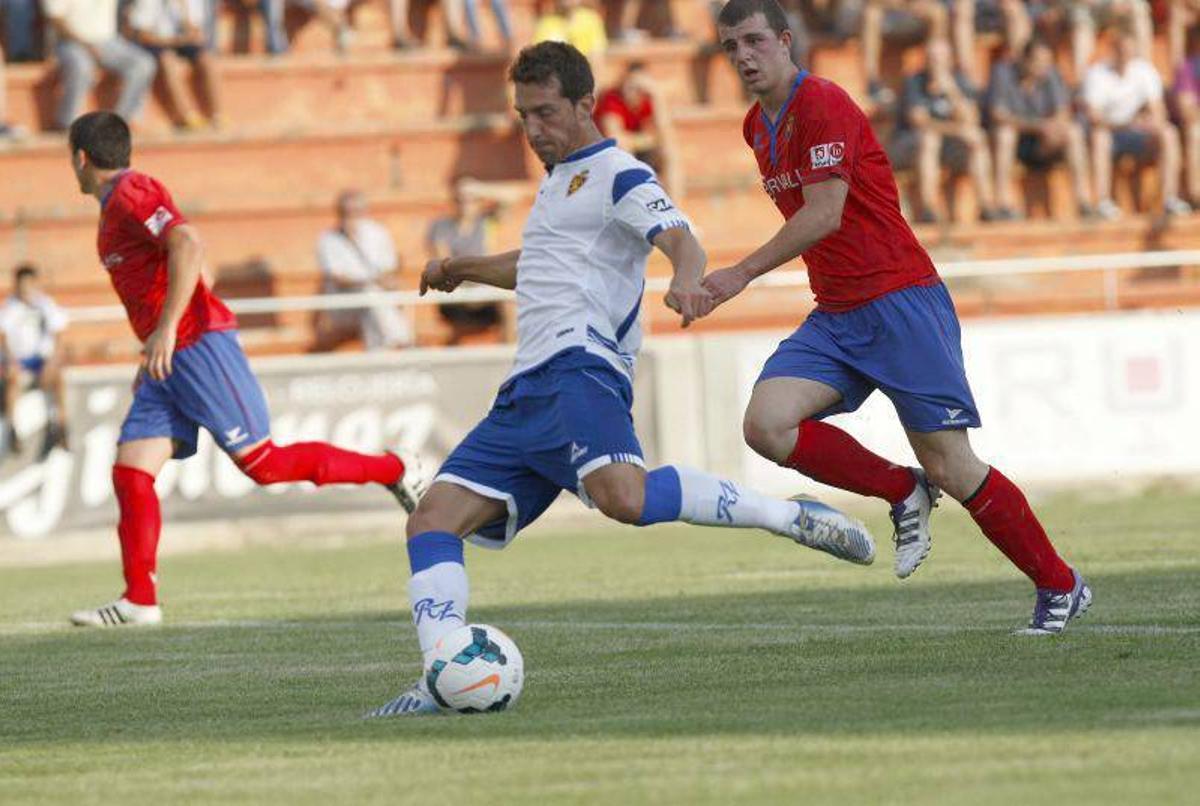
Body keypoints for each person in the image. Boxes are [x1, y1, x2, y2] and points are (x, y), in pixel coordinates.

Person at [367, 41, 875, 717]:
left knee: (624, 499)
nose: (534, 129)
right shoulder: (558, 183)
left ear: (586, 104)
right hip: (526, 390)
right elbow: (543, 261)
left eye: (546, 112)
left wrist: (690, 284)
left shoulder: (620, 175)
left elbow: (681, 240)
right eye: (523, 116)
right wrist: (468, 267)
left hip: (582, 370)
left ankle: (787, 515)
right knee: (431, 518)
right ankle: (442, 670)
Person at [705, 0, 1091, 635]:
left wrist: (736, 275)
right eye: (730, 47)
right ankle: (899, 490)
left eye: (752, 41)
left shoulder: (822, 102)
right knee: (767, 425)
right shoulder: (756, 126)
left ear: (783, 40)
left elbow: (826, 213)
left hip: (898, 301)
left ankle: (1060, 584)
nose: (743, 56)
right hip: (836, 314)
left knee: (953, 466)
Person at [63, 112, 421, 628]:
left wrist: (165, 329)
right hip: (167, 359)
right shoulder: (117, 205)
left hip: (197, 345)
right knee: (131, 470)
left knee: (264, 463)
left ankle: (395, 468)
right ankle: (140, 600)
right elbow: (191, 261)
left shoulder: (130, 191)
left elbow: (188, 244)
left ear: (80, 158)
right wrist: (154, 345)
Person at [1082, 29, 1191, 219]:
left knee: (1168, 133)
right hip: (1111, 135)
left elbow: (1158, 111)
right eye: (1121, 50)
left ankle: (1170, 199)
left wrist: (1150, 121)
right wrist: (1127, 124)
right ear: (1112, 50)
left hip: (1138, 134)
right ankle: (1103, 202)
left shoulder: (1144, 70)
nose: (1125, 55)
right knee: (1100, 138)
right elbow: (1094, 117)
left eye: (1129, 50)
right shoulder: (1097, 73)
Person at [891, 37, 1002, 222]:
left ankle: (986, 206)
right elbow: (919, 121)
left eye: (940, 59)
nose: (936, 64)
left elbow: (971, 119)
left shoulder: (959, 81)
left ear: (950, 60)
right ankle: (929, 208)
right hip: (911, 144)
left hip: (947, 146)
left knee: (977, 137)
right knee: (930, 139)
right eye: (932, 58)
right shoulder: (914, 81)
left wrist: (951, 89)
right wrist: (956, 130)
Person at [988, 37, 1093, 218]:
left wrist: (1053, 128)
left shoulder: (1050, 74)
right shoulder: (1002, 72)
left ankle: (1084, 202)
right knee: (1005, 135)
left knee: (1073, 133)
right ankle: (1003, 204)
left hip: (1043, 143)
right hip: (1016, 143)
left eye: (1047, 62)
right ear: (1024, 59)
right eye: (1039, 61)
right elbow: (998, 115)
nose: (1044, 66)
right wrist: (1039, 126)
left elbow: (1062, 111)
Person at [316, 189, 412, 351]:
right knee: (371, 295)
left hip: (376, 301)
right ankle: (403, 340)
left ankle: (379, 354)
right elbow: (338, 278)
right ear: (339, 213)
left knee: (377, 305)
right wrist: (372, 281)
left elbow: (390, 267)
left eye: (357, 211)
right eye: (347, 212)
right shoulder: (328, 240)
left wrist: (387, 281)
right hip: (344, 304)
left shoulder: (378, 233)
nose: (352, 216)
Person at [42, 0, 157, 131]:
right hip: (68, 42)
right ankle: (67, 122)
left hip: (109, 42)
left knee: (144, 63)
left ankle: (120, 122)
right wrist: (86, 45)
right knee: (81, 67)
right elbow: (55, 19)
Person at [425, 178, 507, 345]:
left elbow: (511, 198)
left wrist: (480, 188)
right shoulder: (440, 226)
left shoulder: (486, 222)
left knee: (510, 302)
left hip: (483, 285)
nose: (464, 204)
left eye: (470, 200)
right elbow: (445, 265)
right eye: (460, 199)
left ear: (478, 202)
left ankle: (510, 355)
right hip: (456, 287)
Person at [0, 264, 68, 456]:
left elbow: (59, 336)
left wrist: (52, 361)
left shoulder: (46, 305)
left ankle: (61, 426)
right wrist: (11, 362)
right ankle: (13, 429)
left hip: (42, 360)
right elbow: (3, 338)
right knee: (13, 381)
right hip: (20, 361)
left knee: (58, 379)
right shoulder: (9, 308)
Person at [126, 0, 224, 130]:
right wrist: (175, 41)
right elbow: (143, 35)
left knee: (206, 59)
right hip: (157, 43)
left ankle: (216, 115)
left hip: (179, 41)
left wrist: (185, 14)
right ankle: (186, 115)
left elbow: (196, 30)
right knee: (168, 60)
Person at [593, 61, 675, 188]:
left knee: (669, 152)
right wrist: (642, 140)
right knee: (624, 150)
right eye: (631, 86)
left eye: (639, 87)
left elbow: (665, 135)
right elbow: (615, 138)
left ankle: (674, 205)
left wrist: (657, 96)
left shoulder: (647, 99)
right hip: (603, 152)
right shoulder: (612, 98)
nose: (634, 92)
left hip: (635, 148)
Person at [1175, 33, 1200, 205]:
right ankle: (1196, 193)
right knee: (1195, 132)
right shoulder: (1188, 68)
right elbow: (1187, 111)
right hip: (1196, 123)